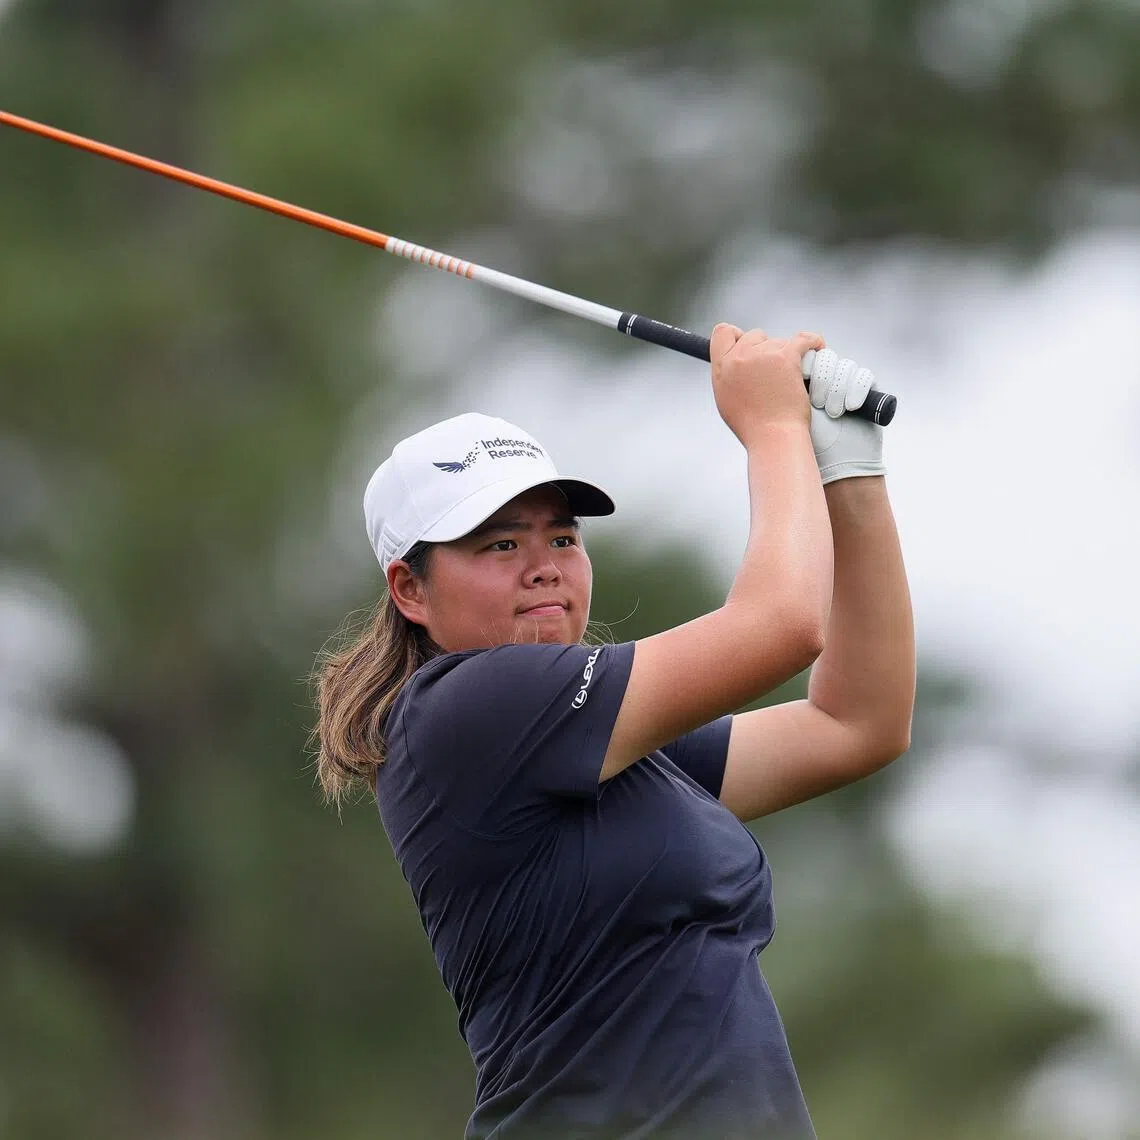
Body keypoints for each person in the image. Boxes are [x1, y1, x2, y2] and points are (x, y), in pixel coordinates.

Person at [314, 324, 915, 1139]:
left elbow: (856, 724)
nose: (545, 564)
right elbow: (780, 626)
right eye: (500, 544)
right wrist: (774, 430)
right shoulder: (468, 709)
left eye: (563, 536)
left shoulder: (618, 754)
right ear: (410, 591)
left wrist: (850, 475)